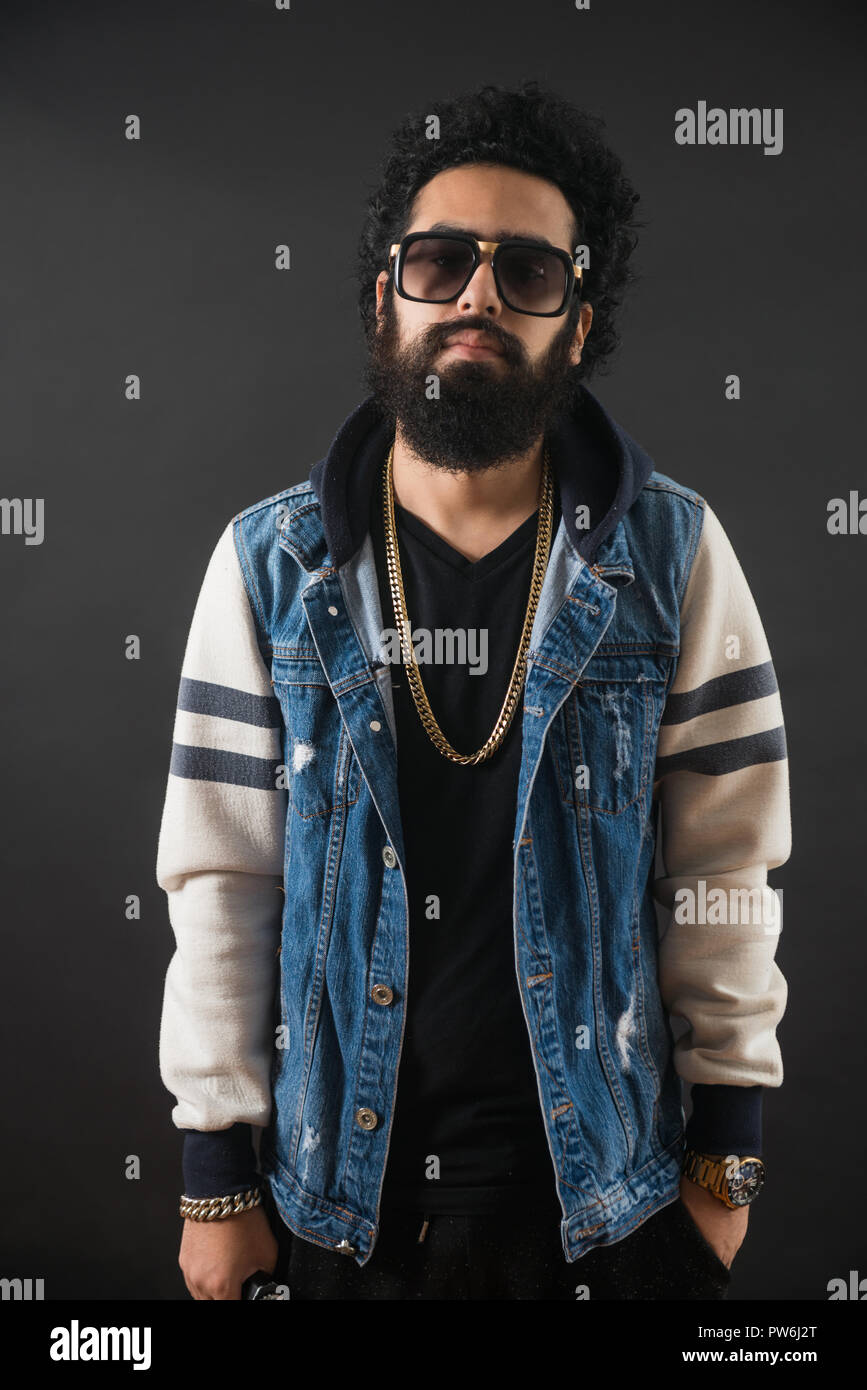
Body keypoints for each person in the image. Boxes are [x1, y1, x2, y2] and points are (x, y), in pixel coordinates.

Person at [156, 80, 791, 1301]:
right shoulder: (268, 568)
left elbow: (730, 869)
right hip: (335, 1214)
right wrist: (212, 1175)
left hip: (606, 1214)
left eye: (530, 271)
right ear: (381, 298)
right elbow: (223, 883)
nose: (480, 295)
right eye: (441, 261)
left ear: (580, 322)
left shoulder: (672, 558)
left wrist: (728, 1168)